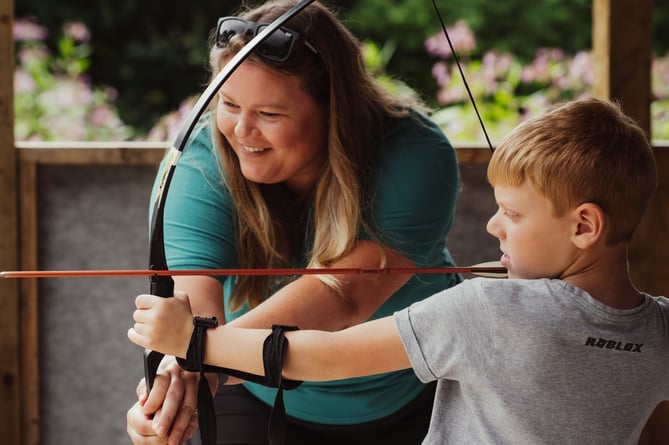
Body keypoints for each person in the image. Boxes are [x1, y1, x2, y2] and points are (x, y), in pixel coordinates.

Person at [130, 97, 669, 444]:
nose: (494, 228)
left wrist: (192, 341)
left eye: (513, 214)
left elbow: (319, 356)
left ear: (584, 227)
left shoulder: (488, 310)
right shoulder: (659, 331)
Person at [126, 0, 463, 444]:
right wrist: (176, 390)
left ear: (333, 110)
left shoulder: (415, 152)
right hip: (256, 390)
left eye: (269, 114)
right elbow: (196, 306)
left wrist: (197, 351)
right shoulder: (200, 162)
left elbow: (343, 295)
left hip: (413, 390)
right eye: (228, 104)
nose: (241, 130)